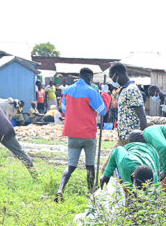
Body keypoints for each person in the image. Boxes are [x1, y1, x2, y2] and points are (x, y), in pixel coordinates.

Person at [56, 68, 108, 201]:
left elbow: (64, 109)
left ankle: (60, 189)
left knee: (71, 165)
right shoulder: (91, 91)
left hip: (72, 133)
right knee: (90, 165)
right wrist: (105, 97)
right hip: (88, 134)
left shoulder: (67, 91)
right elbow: (102, 111)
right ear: (90, 78)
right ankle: (91, 193)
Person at [108, 63, 145, 143]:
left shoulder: (131, 89)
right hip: (124, 137)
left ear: (117, 74)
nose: (112, 82)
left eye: (112, 78)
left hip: (133, 138)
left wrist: (141, 136)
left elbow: (141, 114)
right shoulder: (124, 89)